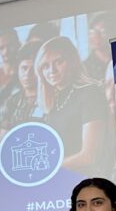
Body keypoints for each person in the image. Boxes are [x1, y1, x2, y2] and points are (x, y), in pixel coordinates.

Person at [35, 36, 107, 173]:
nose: (52, 70)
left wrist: (48, 170)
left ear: (73, 61)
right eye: (45, 66)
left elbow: (90, 156)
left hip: (86, 179)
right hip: (61, 178)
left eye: (58, 62)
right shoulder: (52, 101)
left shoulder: (90, 94)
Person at [0, 41, 41, 141]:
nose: (27, 74)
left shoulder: (53, 98)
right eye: (24, 68)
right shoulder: (11, 101)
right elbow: (2, 140)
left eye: (33, 69)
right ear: (18, 69)